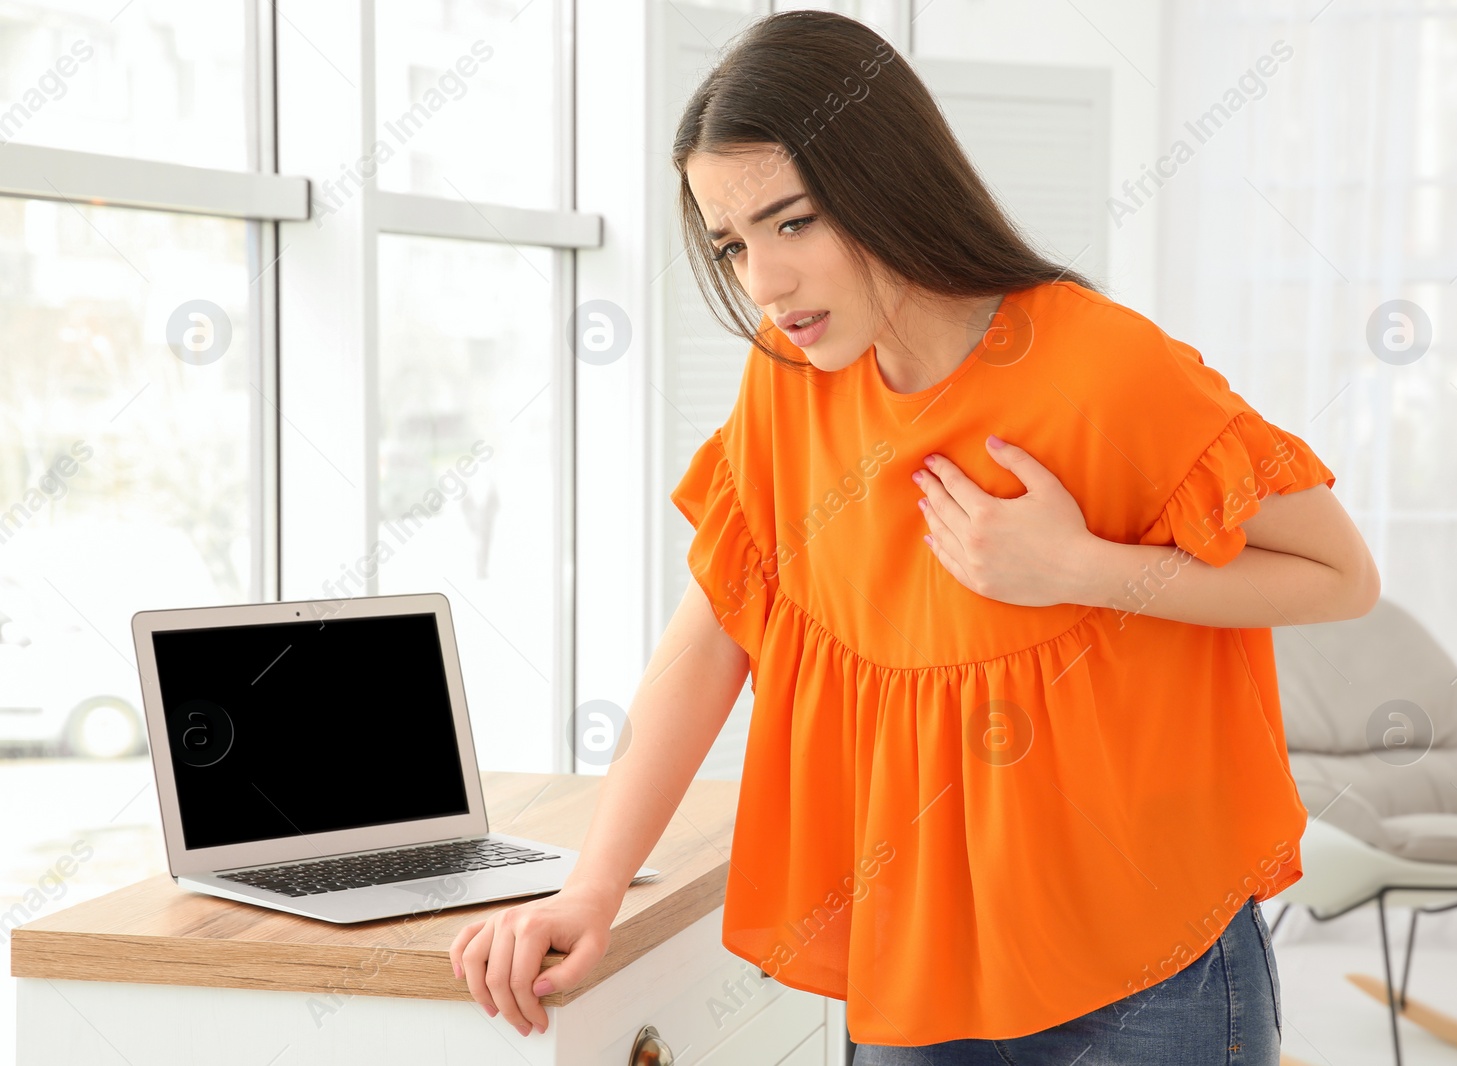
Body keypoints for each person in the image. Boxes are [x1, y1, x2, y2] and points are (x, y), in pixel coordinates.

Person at [452, 11, 1379, 1063]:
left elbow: (1339, 574)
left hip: (1149, 956)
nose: (763, 281)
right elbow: (713, 631)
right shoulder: (789, 378)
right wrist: (593, 886)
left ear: (883, 179)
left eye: (791, 222)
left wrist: (1079, 569)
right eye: (733, 243)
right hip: (922, 951)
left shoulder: (1106, 369)